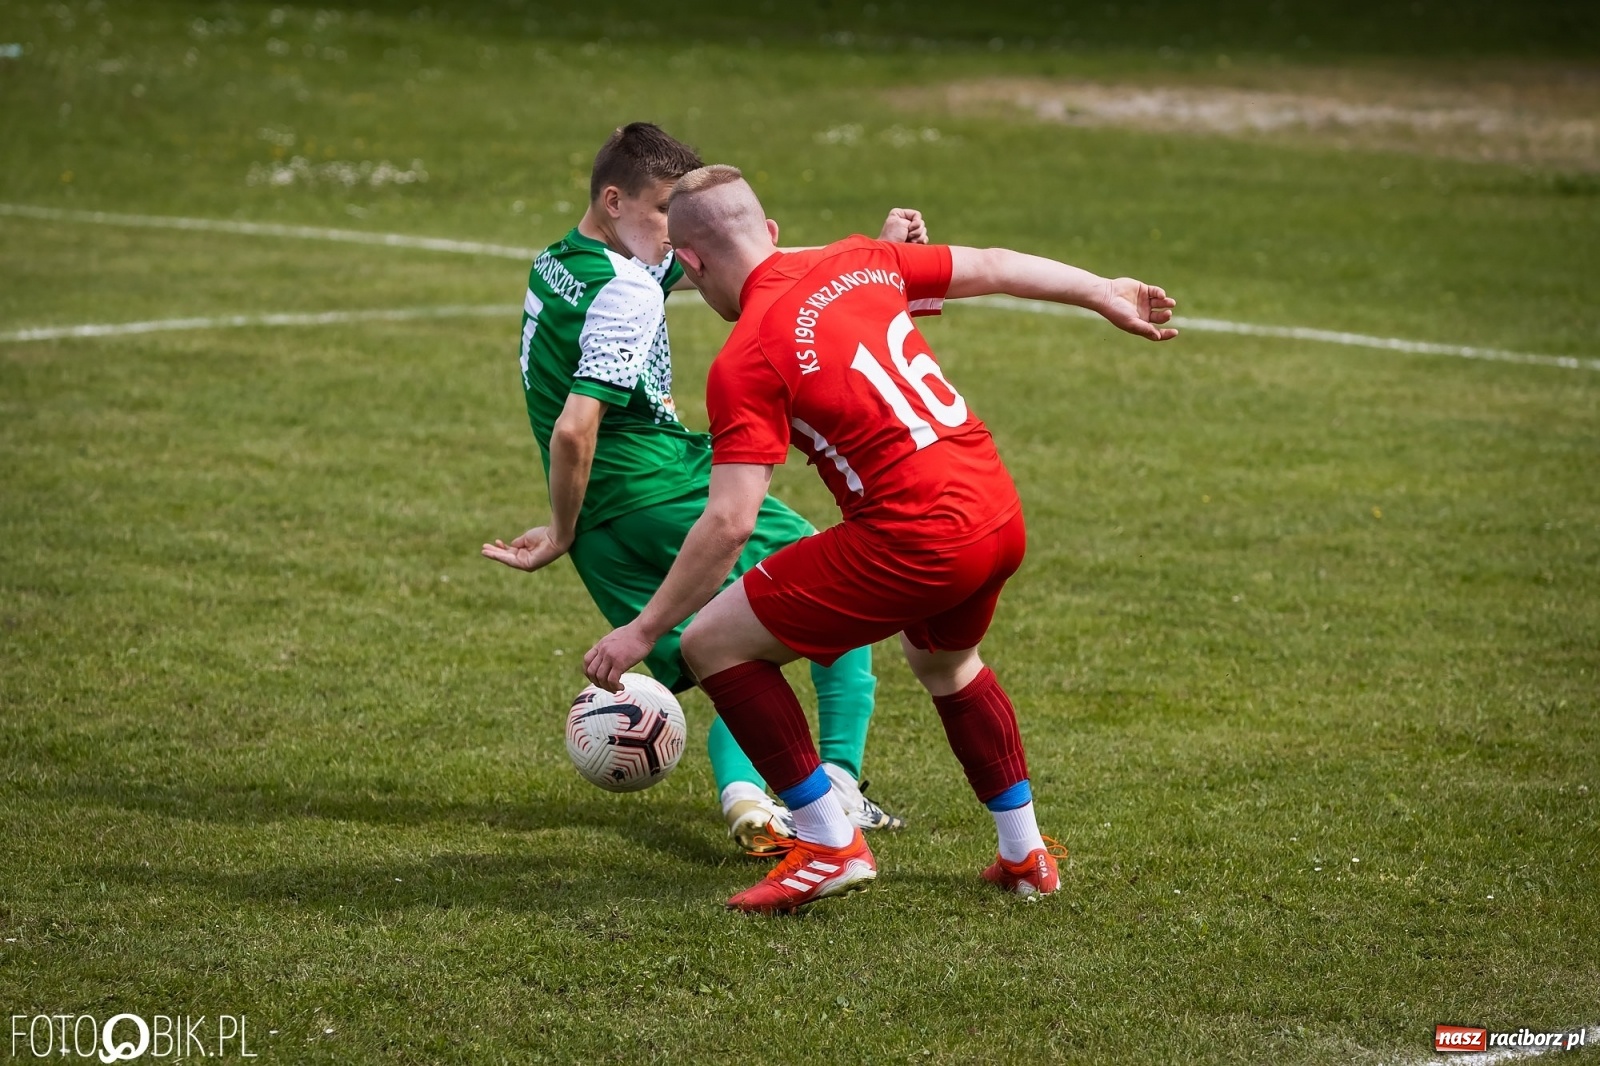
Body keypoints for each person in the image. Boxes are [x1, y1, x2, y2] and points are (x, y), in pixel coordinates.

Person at [583, 164, 1178, 913]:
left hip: (916, 535)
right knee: (946, 662)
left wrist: (643, 631)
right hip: (996, 511)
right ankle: (1024, 853)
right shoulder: (861, 259)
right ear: (769, 232)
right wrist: (1102, 290)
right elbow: (991, 265)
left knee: (711, 642)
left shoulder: (746, 358)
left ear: (693, 264)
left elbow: (730, 521)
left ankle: (829, 843)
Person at [482, 124, 919, 852]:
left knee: (735, 649)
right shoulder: (626, 292)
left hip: (608, 517)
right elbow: (572, 429)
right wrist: (555, 533)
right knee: (835, 595)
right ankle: (836, 786)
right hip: (660, 491)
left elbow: (746, 263)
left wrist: (571, 524)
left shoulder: (560, 260)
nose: (675, 234)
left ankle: (751, 800)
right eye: (662, 214)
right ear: (614, 200)